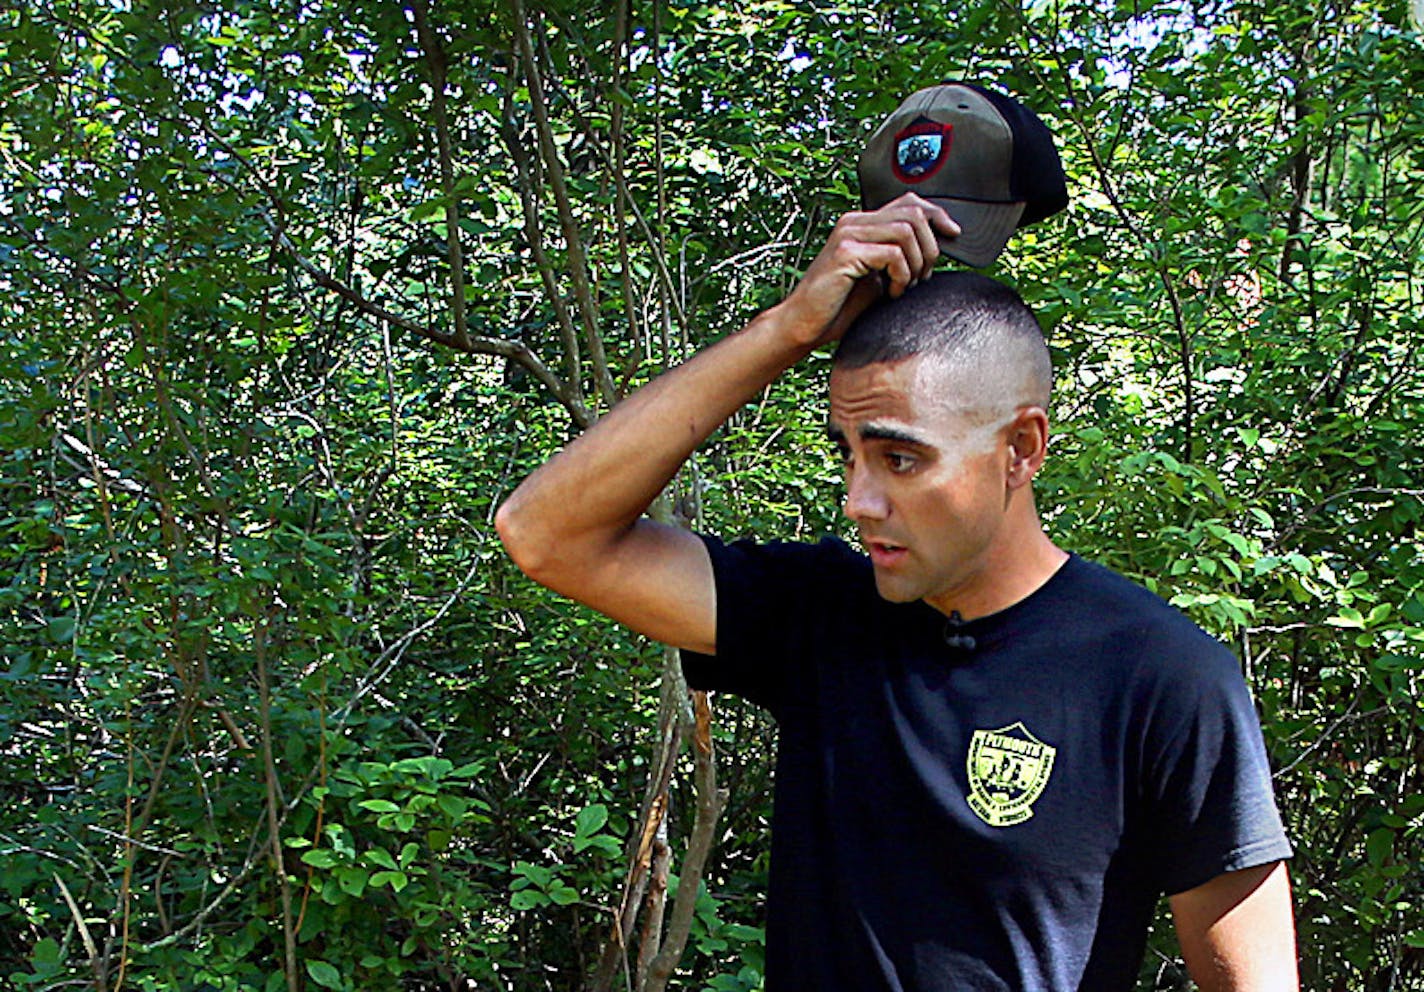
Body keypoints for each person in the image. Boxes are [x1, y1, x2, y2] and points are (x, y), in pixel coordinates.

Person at [496, 84, 1297, 990]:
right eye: (847, 455)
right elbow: (543, 531)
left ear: (1022, 449)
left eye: (901, 460)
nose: (858, 501)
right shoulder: (820, 616)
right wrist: (789, 328)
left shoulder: (1160, 674)